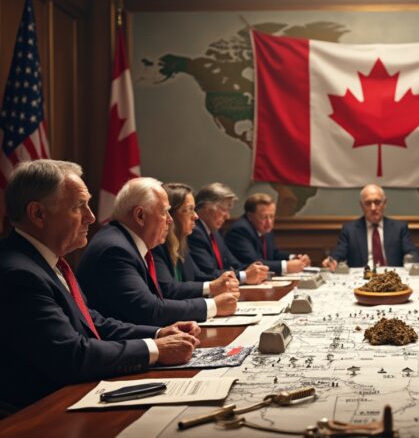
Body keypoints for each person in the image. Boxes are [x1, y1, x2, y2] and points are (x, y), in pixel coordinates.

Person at [0, 160, 199, 410]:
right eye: (79, 207)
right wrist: (154, 349)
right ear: (38, 214)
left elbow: (92, 322)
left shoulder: (46, 261)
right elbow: (71, 355)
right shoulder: (18, 273)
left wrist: (158, 333)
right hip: (37, 413)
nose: (91, 217)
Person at [77, 178, 239, 326]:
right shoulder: (115, 250)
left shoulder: (125, 242)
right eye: (164, 212)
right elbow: (149, 309)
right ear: (140, 215)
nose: (170, 220)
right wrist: (212, 306)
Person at [152, 183, 241, 300]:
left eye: (193, 209)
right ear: (170, 214)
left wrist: (223, 282)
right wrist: (211, 287)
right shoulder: (157, 245)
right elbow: (168, 290)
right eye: (188, 210)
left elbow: (196, 276)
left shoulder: (181, 241)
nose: (195, 216)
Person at [322, 184, 419, 270]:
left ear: (384, 203)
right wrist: (333, 260)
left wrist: (411, 261)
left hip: (392, 278)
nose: (373, 208)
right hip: (362, 279)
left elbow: (412, 253)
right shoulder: (349, 229)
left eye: (377, 202)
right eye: (368, 203)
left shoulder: (399, 228)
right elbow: (339, 253)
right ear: (361, 205)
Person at [188, 182, 268, 283]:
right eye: (224, 209)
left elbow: (234, 263)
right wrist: (245, 275)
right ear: (208, 208)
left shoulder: (215, 232)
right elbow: (208, 273)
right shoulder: (194, 232)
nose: (227, 216)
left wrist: (254, 269)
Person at [225, 193, 310, 274]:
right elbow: (254, 263)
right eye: (264, 217)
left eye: (272, 216)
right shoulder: (240, 231)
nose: (269, 222)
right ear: (250, 216)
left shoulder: (263, 227)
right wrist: (286, 266)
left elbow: (274, 253)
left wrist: (293, 258)